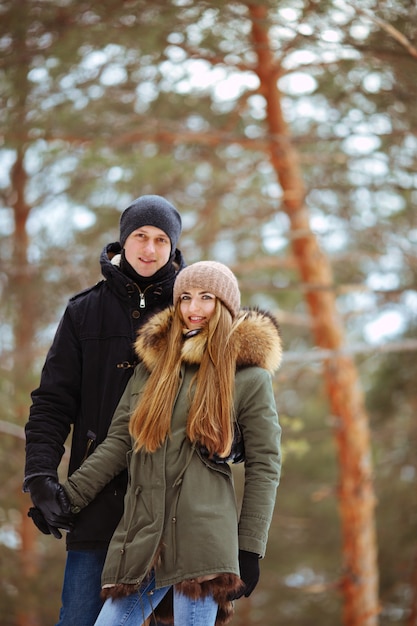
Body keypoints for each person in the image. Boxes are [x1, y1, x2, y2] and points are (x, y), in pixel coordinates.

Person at [59, 260, 283, 626]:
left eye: (207, 297)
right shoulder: (152, 369)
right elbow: (119, 442)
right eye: (186, 298)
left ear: (225, 304)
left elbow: (265, 464)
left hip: (203, 544)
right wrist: (67, 498)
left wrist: (250, 547)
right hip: (145, 536)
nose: (194, 309)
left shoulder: (248, 376)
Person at [23, 194, 186, 626]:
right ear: (122, 240)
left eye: (160, 240)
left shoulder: (193, 312)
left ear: (173, 248)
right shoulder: (83, 312)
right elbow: (53, 402)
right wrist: (39, 475)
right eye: (140, 236)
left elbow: (229, 395)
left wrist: (234, 440)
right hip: (97, 507)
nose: (149, 249)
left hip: (174, 509)